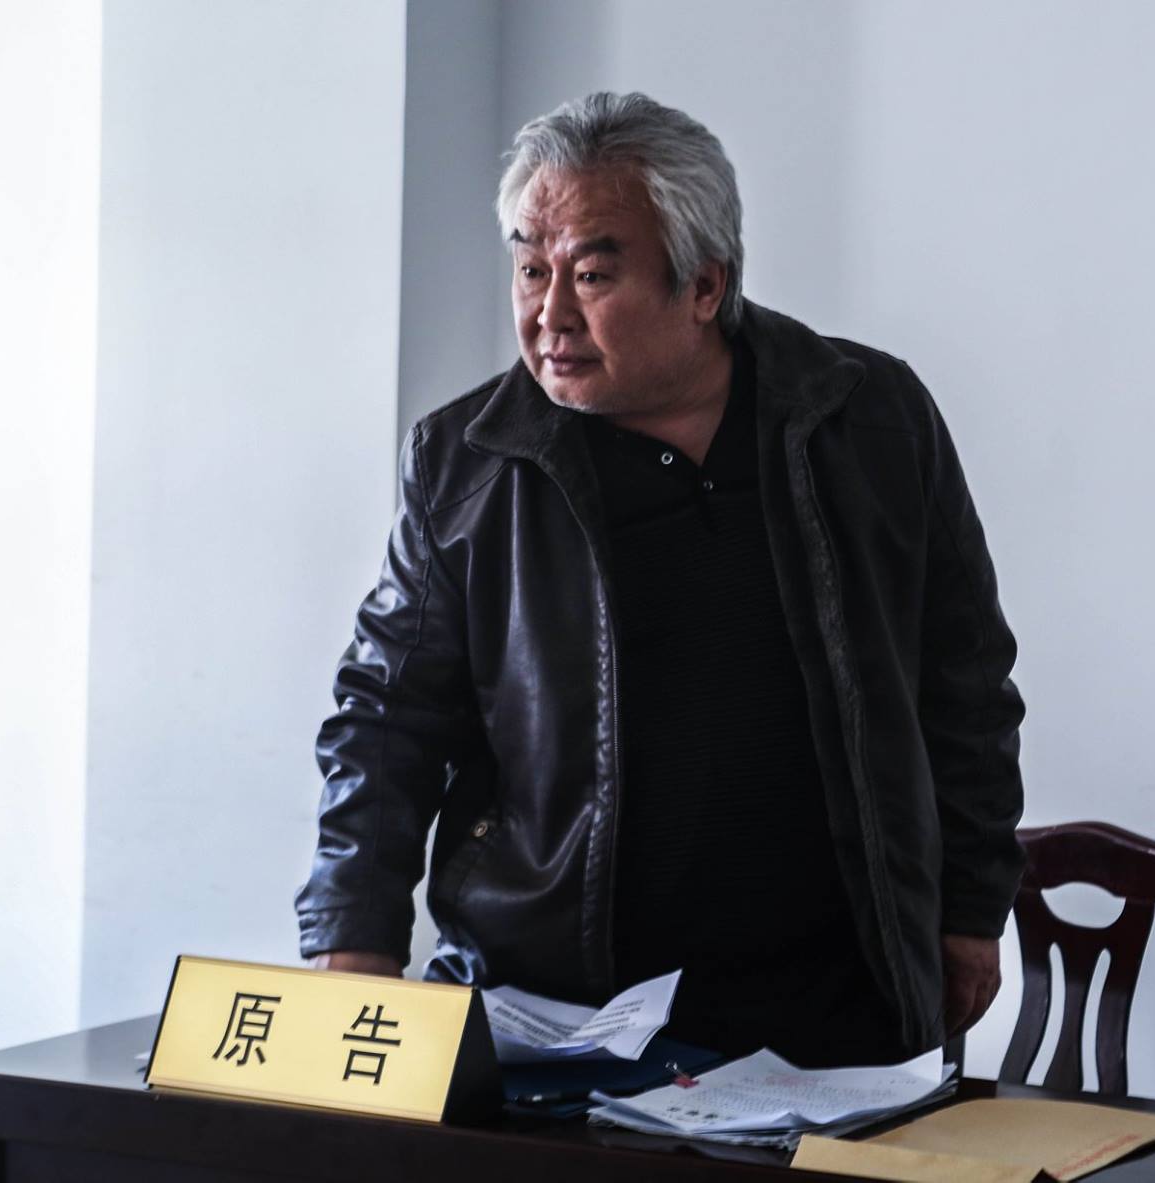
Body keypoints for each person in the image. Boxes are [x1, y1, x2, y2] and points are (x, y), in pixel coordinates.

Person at [294, 92, 1024, 1067]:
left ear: (704, 285)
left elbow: (963, 680)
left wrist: (971, 906)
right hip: (555, 1009)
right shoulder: (467, 463)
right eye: (530, 268)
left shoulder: (869, 420)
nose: (549, 314)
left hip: (832, 1012)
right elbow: (385, 720)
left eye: (592, 275)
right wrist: (354, 940)